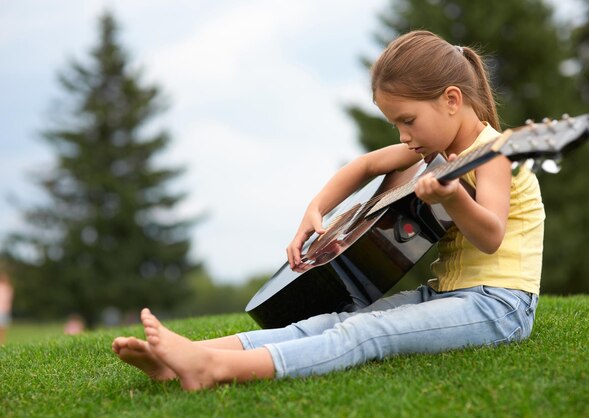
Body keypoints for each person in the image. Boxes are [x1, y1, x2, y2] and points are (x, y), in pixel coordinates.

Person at [112, 30, 544, 391]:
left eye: (408, 120)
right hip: (449, 296)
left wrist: (452, 197)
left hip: (499, 307)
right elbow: (366, 165)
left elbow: (490, 237)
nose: (404, 136)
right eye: (396, 124)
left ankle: (214, 369)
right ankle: (184, 358)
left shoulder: (493, 155)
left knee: (365, 332)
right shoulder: (438, 152)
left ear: (451, 100)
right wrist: (315, 209)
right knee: (331, 321)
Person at [0, 270, 14, 345]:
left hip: (4, 310)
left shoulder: (8, 288)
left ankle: (1, 342)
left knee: (3, 328)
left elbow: (9, 300)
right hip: (2, 310)